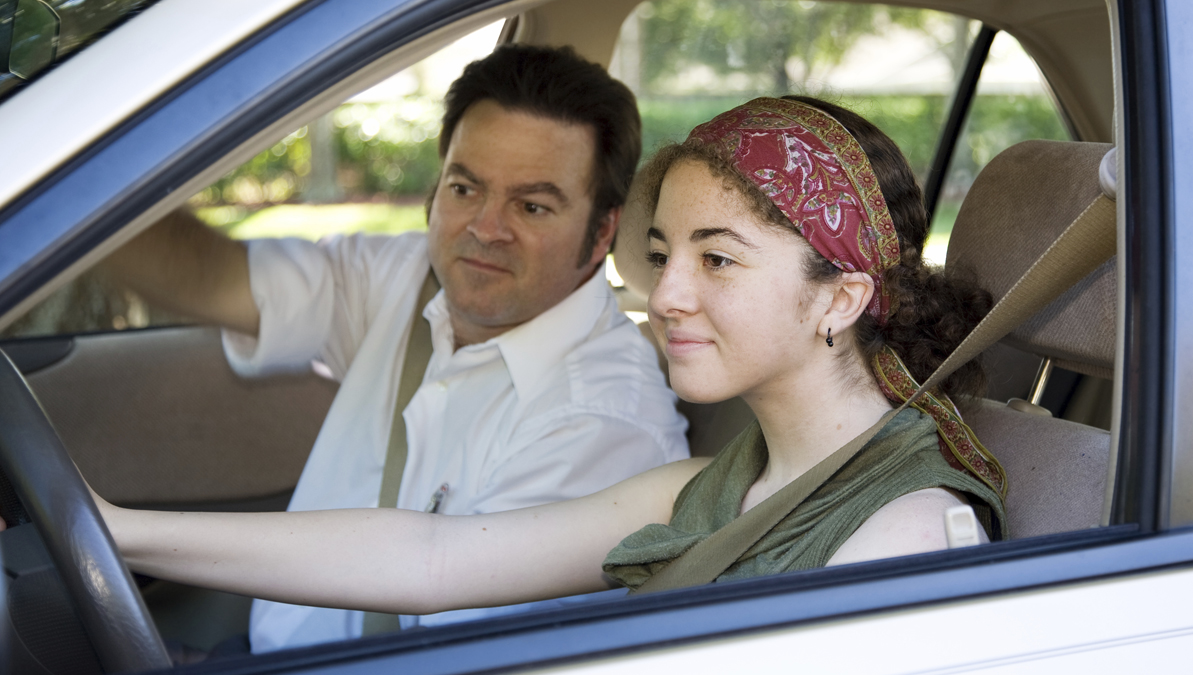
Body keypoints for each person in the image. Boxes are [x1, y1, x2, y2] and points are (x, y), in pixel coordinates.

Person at [94, 96, 1007, 621]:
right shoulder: (701, 489)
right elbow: (434, 559)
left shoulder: (906, 534)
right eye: (663, 253)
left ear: (840, 298)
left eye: (717, 258)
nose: (668, 292)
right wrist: (118, 528)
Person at [99, 44, 688, 651]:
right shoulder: (404, 278)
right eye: (465, 188)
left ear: (603, 232)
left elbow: (455, 637)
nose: (485, 228)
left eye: (532, 205)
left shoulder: (605, 422)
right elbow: (213, 279)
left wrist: (114, 531)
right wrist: (68, 177)